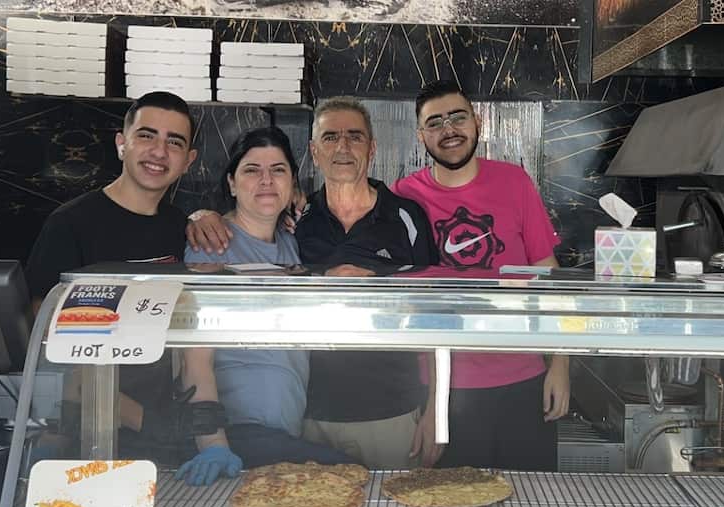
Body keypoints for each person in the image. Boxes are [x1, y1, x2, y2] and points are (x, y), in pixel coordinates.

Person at [186, 98, 441, 470]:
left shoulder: (406, 216)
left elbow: (436, 316)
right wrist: (200, 216)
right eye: (330, 137)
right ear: (314, 151)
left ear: (372, 148)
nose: (342, 147)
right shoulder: (299, 221)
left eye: (355, 137)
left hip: (392, 410)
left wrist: (436, 412)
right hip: (307, 417)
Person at [390, 80, 570, 471]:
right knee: (452, 503)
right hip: (442, 389)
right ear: (421, 135)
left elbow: (548, 277)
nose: (448, 130)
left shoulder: (514, 183)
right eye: (434, 122)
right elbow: (407, 303)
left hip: (524, 380)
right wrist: (432, 406)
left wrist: (560, 364)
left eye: (458, 117)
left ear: (478, 122)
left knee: (533, 499)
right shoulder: (402, 197)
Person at [180, 126, 355, 484]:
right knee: (350, 477)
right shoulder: (212, 247)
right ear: (231, 183)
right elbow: (194, 359)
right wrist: (212, 443)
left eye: (278, 170)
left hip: (284, 428)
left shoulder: (289, 242)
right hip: (238, 433)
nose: (266, 180)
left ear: (292, 183)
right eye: (251, 170)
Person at [25, 90, 197, 443]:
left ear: (188, 161)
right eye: (146, 136)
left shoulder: (179, 226)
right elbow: (43, 334)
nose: (159, 152)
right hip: (87, 429)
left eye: (174, 142)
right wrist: (146, 422)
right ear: (121, 144)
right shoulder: (71, 223)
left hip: (160, 418)